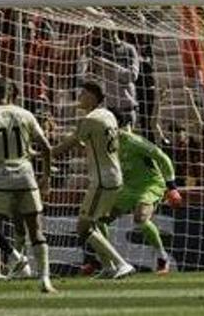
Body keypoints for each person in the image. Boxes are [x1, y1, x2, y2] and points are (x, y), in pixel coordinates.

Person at [0, 76, 55, 294]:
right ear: (10, 94)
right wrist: (45, 177)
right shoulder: (25, 114)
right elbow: (46, 147)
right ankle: (44, 279)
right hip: (25, 176)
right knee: (36, 230)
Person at [49, 80, 134, 279]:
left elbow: (66, 146)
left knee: (83, 227)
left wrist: (41, 154)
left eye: (83, 93)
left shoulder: (90, 120)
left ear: (93, 96)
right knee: (92, 224)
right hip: (112, 175)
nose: (79, 96)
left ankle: (121, 263)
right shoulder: (108, 115)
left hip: (103, 179)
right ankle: (109, 266)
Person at [107, 125, 184, 275]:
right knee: (101, 218)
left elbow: (163, 158)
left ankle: (162, 258)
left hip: (150, 184)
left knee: (140, 218)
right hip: (127, 187)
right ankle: (102, 261)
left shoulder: (135, 142)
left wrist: (172, 187)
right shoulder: (106, 143)